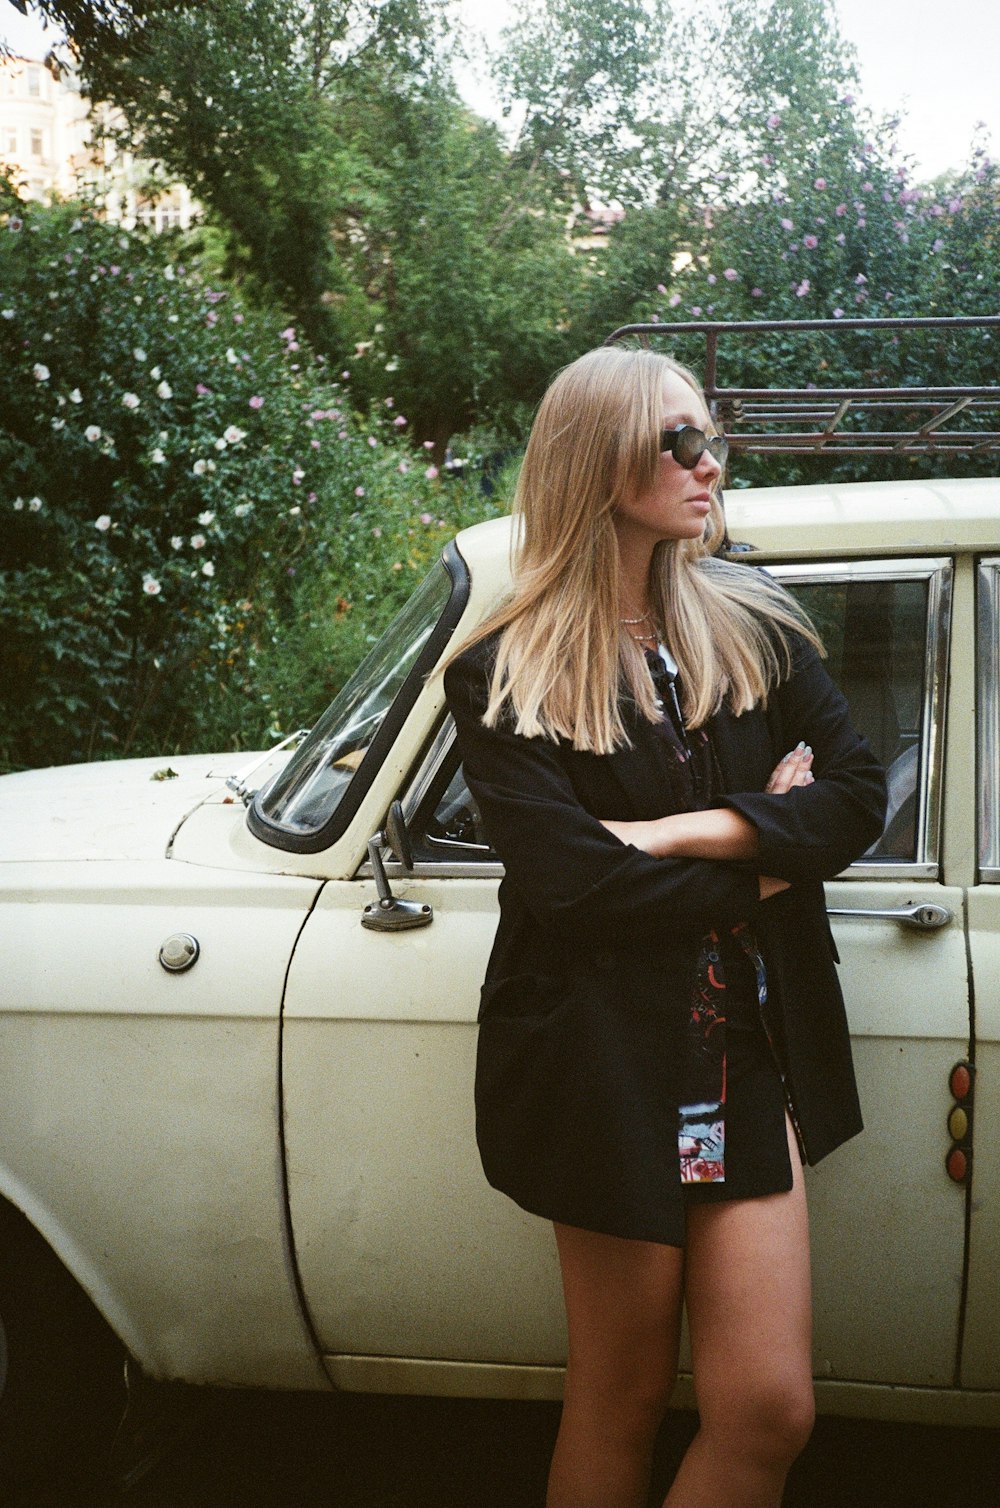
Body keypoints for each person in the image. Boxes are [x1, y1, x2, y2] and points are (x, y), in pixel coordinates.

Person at [442, 346, 886, 1508]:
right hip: (604, 1059)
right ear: (596, 465)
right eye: (676, 442)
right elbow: (578, 893)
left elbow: (852, 797)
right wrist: (765, 853)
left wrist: (675, 832)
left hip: (744, 1052)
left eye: (710, 436)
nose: (707, 463)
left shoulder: (755, 627)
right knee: (619, 1394)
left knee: (768, 1408)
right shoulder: (505, 674)